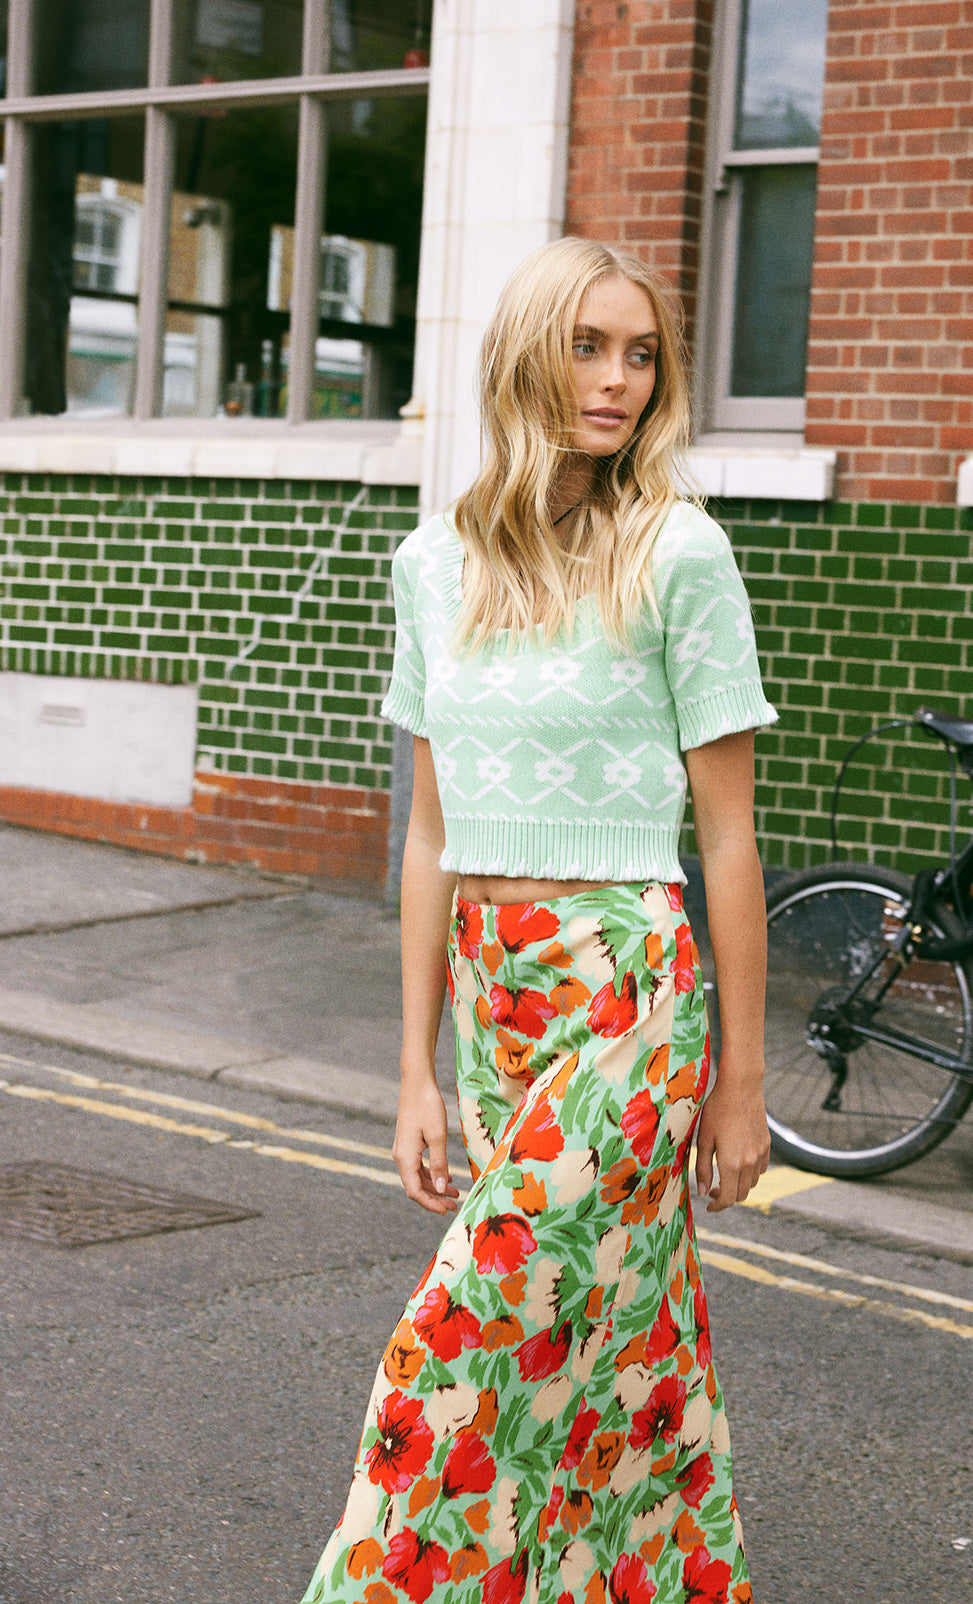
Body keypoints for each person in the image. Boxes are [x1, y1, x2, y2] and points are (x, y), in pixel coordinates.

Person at [301, 236, 777, 1604]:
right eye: (588, 347)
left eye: (643, 355)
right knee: (616, 1353)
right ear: (523, 356)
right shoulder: (430, 563)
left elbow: (729, 837)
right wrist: (413, 1072)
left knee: (454, 1352)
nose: (620, 380)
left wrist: (743, 1082)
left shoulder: (679, 553)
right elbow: (430, 836)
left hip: (629, 985)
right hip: (491, 990)